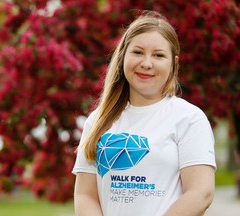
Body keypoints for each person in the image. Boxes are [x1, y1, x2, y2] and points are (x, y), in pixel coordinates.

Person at [72, 10, 216, 216]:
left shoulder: (189, 119)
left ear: (173, 64)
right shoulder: (98, 120)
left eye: (158, 55)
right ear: (123, 56)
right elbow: (85, 195)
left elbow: (201, 193)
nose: (146, 63)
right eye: (138, 52)